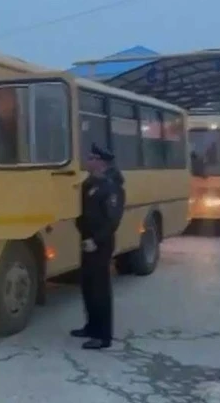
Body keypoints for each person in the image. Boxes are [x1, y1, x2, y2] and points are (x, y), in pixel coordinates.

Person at [72, 143, 126, 350]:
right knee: (87, 286)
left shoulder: (111, 187)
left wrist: (96, 240)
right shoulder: (91, 183)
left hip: (100, 244)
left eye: (91, 158)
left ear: (100, 162)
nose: (87, 160)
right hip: (87, 241)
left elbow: (112, 221)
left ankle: (103, 336)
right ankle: (91, 326)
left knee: (100, 290)